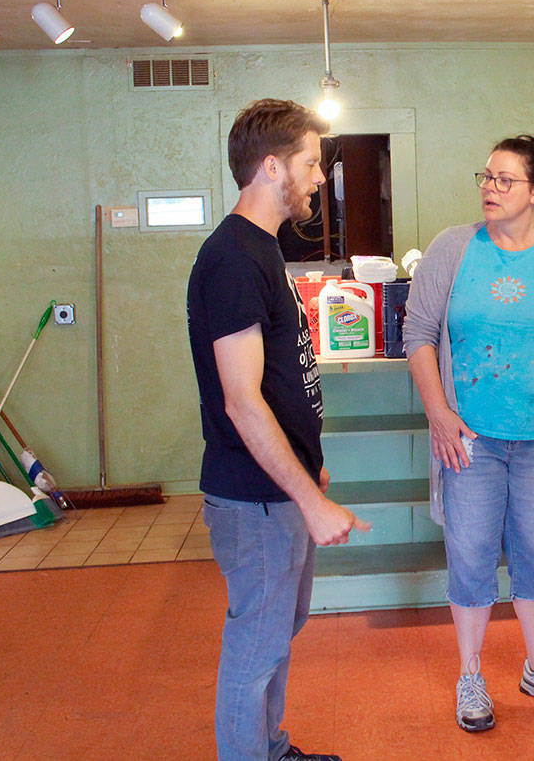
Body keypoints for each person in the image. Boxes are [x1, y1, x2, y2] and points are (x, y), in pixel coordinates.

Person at [403, 131, 534, 732]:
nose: (490, 189)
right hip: (469, 440)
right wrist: (438, 413)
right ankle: (471, 675)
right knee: (469, 553)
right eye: (487, 177)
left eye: (505, 180)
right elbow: (418, 333)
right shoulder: (453, 248)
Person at [187, 98, 371, 761]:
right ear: (271, 167)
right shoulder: (234, 258)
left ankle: (269, 747)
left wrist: (307, 465)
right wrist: (309, 498)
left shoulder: (260, 250)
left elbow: (278, 380)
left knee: (274, 631)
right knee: (256, 644)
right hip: (254, 496)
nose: (320, 177)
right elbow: (242, 401)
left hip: (278, 487)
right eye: (310, 163)